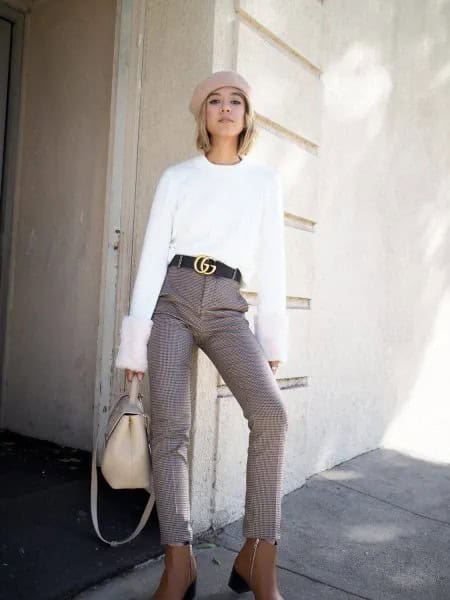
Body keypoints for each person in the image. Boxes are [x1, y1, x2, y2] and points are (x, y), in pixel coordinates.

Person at [115, 70, 289, 600]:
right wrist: (135, 341)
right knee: (170, 429)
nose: (226, 108)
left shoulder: (263, 181)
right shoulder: (177, 177)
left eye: (236, 100)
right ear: (204, 114)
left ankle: (259, 557)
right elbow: (150, 259)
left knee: (271, 413)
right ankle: (179, 560)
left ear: (246, 115)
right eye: (215, 100)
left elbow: (275, 264)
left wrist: (272, 339)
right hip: (172, 298)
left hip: (228, 306)